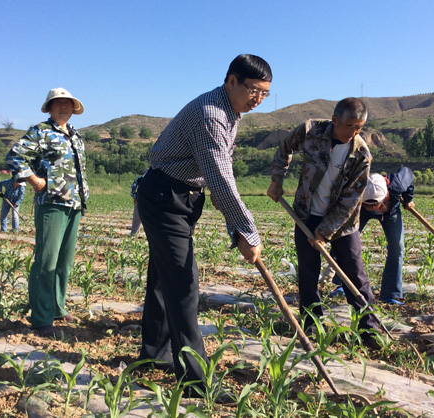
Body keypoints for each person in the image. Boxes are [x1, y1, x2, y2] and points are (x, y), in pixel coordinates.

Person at [136, 54, 271, 403]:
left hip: (179, 194)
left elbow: (216, 170)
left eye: (265, 94)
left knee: (163, 277)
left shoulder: (230, 111)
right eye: (254, 90)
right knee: (184, 282)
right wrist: (245, 230)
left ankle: (153, 354)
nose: (258, 99)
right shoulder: (212, 114)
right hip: (165, 197)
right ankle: (196, 381)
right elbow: (221, 177)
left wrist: (229, 215)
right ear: (232, 81)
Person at [267, 97, 379, 337]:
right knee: (308, 274)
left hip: (342, 223)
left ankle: (369, 330)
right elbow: (284, 150)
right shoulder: (310, 132)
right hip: (306, 214)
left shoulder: (361, 155)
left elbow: (351, 199)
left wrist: (325, 231)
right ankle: (311, 326)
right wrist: (277, 180)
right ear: (335, 120)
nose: (354, 132)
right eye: (350, 126)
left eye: (359, 127)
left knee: (354, 273)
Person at [6, 87, 89, 338]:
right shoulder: (40, 132)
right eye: (58, 103)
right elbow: (14, 157)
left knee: (64, 262)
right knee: (46, 261)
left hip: (74, 204)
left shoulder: (75, 135)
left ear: (73, 109)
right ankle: (41, 318)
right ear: (50, 108)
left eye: (68, 104)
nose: (64, 107)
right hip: (51, 203)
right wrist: (36, 182)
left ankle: (57, 308)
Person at [330, 168, 415, 305]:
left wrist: (408, 199)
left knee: (397, 247)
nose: (374, 208)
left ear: (385, 196)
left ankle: (390, 293)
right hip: (360, 213)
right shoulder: (356, 189)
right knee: (346, 244)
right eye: (369, 205)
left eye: (376, 204)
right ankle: (342, 285)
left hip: (390, 213)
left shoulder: (397, 185)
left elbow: (408, 174)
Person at [130, 169, 148, 235]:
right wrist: (134, 198)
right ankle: (133, 234)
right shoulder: (140, 180)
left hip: (148, 202)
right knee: (137, 218)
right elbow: (133, 189)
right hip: (140, 201)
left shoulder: (141, 179)